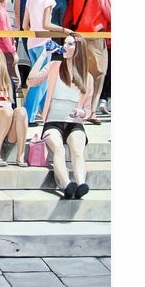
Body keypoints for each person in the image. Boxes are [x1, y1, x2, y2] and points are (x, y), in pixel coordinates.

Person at [27, 36, 94, 199]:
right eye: (65, 43)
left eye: (70, 44)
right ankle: (66, 184)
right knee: (58, 148)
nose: (65, 46)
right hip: (52, 122)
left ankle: (81, 183)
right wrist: (44, 55)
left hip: (74, 123)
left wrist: (80, 113)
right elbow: (31, 81)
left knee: (77, 150)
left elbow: (88, 110)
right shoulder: (54, 66)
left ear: (78, 49)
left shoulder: (87, 77)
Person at [66, 0, 112, 121]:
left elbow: (68, 19)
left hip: (79, 39)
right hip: (96, 38)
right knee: (98, 74)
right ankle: (90, 111)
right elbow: (111, 16)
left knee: (82, 74)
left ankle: (78, 108)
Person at [21, 0, 58, 124]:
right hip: (44, 44)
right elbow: (47, 24)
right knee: (40, 81)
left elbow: (25, 25)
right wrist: (64, 30)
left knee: (42, 79)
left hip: (32, 43)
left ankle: (47, 112)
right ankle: (28, 115)